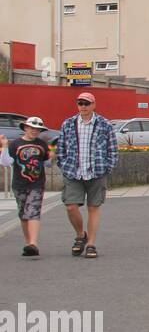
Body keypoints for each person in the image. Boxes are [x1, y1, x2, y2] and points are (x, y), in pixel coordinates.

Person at [58, 91, 118, 259]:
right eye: (80, 103)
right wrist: (63, 164)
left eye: (86, 103)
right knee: (71, 206)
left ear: (93, 105)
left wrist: (108, 167)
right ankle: (80, 235)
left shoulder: (104, 124)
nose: (83, 107)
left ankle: (91, 243)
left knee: (93, 207)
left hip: (96, 172)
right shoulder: (68, 124)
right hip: (73, 172)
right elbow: (61, 147)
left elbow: (112, 149)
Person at [1, 116, 52, 257]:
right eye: (32, 128)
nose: (34, 131)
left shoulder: (42, 144)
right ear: (25, 128)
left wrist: (51, 157)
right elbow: (6, 162)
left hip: (37, 183)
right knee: (23, 214)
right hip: (19, 184)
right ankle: (28, 242)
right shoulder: (15, 144)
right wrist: (5, 146)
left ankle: (33, 244)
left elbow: (47, 162)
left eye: (37, 129)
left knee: (33, 211)